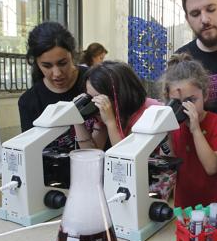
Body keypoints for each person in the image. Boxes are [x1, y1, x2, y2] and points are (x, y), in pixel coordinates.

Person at [161, 54, 217, 207]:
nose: (185, 107)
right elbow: (169, 162)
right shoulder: (173, 126)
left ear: (205, 95)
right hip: (185, 204)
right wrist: (166, 132)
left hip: (215, 206)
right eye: (178, 102)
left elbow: (212, 168)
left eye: (191, 100)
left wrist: (195, 129)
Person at [18, 21, 87, 152]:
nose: (57, 73)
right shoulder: (28, 101)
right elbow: (30, 150)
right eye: (47, 66)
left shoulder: (93, 83)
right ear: (36, 63)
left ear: (72, 55)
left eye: (62, 63)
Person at [73, 61, 160, 149]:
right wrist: (77, 118)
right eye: (90, 97)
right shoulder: (106, 114)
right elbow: (91, 155)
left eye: (99, 99)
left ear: (121, 94)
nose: (94, 104)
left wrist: (110, 123)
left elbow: (124, 157)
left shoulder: (149, 113)